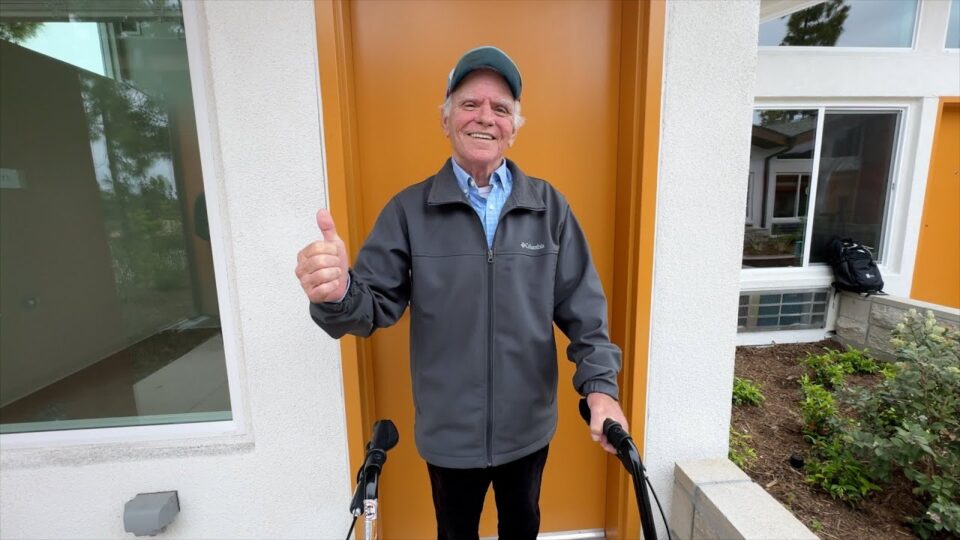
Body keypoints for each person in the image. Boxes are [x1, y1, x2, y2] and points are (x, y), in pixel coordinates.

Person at [295, 46, 628, 539]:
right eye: (470, 104)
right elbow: (370, 309)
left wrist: (601, 390)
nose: (485, 118)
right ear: (446, 119)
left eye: (501, 108)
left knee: (523, 526)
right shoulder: (409, 212)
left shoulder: (549, 208)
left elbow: (585, 313)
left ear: (514, 126)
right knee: (455, 532)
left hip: (528, 428)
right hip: (449, 434)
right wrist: (338, 290)